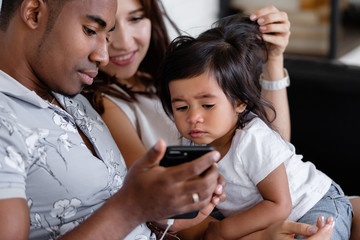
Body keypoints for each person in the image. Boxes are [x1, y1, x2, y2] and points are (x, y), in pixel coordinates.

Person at [0, 0, 225, 239]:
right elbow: (126, 210)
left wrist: (161, 218)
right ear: (33, 13)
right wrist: (132, 208)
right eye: (90, 30)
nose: (103, 56)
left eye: (106, 36)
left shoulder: (73, 96)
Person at [158, 14, 353, 239]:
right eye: (181, 107)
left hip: (313, 204)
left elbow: (280, 204)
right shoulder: (190, 145)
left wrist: (223, 230)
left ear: (240, 102)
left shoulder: (252, 139)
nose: (194, 117)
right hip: (259, 216)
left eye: (207, 105)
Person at [83, 2, 291, 169]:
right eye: (107, 27)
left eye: (136, 18)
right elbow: (151, 196)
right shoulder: (105, 104)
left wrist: (273, 60)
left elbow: (274, 150)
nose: (125, 43)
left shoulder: (179, 74)